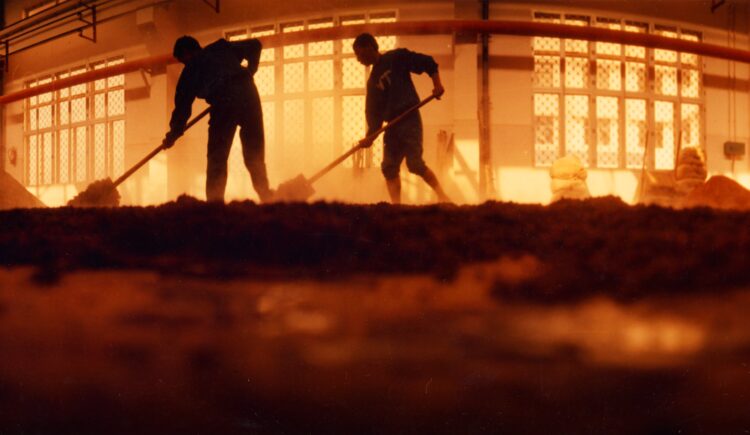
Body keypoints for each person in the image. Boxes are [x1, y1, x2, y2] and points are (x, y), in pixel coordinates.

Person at [162, 35, 274, 203]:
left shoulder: (191, 68)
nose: (184, 64)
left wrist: (173, 134)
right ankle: (267, 197)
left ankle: (214, 204)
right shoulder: (221, 48)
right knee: (254, 153)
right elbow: (255, 45)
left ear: (186, 53)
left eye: (182, 60)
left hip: (224, 101)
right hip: (249, 94)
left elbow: (182, 107)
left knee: (217, 156)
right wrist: (250, 71)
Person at [353, 32, 450, 204]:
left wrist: (438, 84)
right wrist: (370, 137)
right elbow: (373, 115)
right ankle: (396, 207)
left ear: (369, 46)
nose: (358, 59)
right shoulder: (372, 82)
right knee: (389, 167)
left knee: (415, 164)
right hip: (392, 125)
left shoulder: (395, 58)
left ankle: (442, 196)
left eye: (359, 54)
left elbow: (428, 63)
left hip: (409, 117)